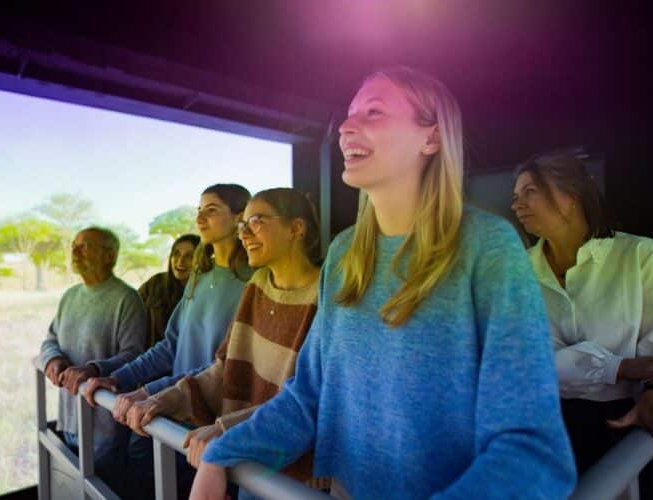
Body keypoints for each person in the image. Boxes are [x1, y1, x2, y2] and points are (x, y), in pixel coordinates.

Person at [190, 67, 576, 500]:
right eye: (349, 115)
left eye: (373, 112)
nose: (346, 127)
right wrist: (222, 452)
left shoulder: (489, 249)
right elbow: (309, 397)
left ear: (431, 138)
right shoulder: (343, 254)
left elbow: (531, 450)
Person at [127, 188, 326, 498]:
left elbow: (309, 400)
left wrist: (224, 430)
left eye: (256, 221)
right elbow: (226, 368)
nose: (244, 233)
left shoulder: (327, 298)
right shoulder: (257, 286)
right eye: (243, 224)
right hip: (246, 465)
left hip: (295, 480)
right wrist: (162, 399)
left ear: (296, 228)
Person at [512, 152, 653, 498]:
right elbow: (529, 362)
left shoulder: (644, 257)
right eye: (515, 197)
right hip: (547, 429)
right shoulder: (513, 273)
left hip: (633, 424)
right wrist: (623, 366)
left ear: (571, 196)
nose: (518, 204)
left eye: (530, 191)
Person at [83, 184, 251, 499]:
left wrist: (152, 393)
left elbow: (223, 366)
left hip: (212, 433)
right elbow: (169, 346)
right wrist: (117, 378)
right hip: (171, 420)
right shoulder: (200, 279)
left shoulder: (255, 283)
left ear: (241, 216)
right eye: (198, 210)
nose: (200, 218)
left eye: (211, 210)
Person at [39, 226, 147, 491]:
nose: (75, 251)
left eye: (85, 246)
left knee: (103, 490)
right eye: (74, 245)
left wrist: (92, 369)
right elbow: (50, 339)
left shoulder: (126, 299)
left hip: (105, 426)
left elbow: (134, 355)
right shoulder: (70, 296)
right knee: (74, 489)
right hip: (69, 417)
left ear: (109, 255)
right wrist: (53, 360)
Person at [138, 233, 201, 349]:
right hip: (150, 361)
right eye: (176, 254)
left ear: (201, 260)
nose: (180, 261)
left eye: (189, 256)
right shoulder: (155, 283)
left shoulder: (205, 291)